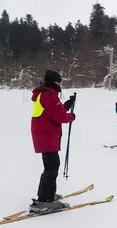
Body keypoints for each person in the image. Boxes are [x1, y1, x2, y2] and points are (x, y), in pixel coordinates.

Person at [30, 69, 76, 212]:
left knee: (50, 167)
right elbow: (60, 117)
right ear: (55, 82)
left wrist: (66, 105)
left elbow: (54, 111)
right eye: (60, 81)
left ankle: (46, 194)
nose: (60, 83)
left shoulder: (45, 94)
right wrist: (71, 116)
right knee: (52, 167)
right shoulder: (49, 95)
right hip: (47, 136)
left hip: (45, 135)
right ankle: (45, 200)